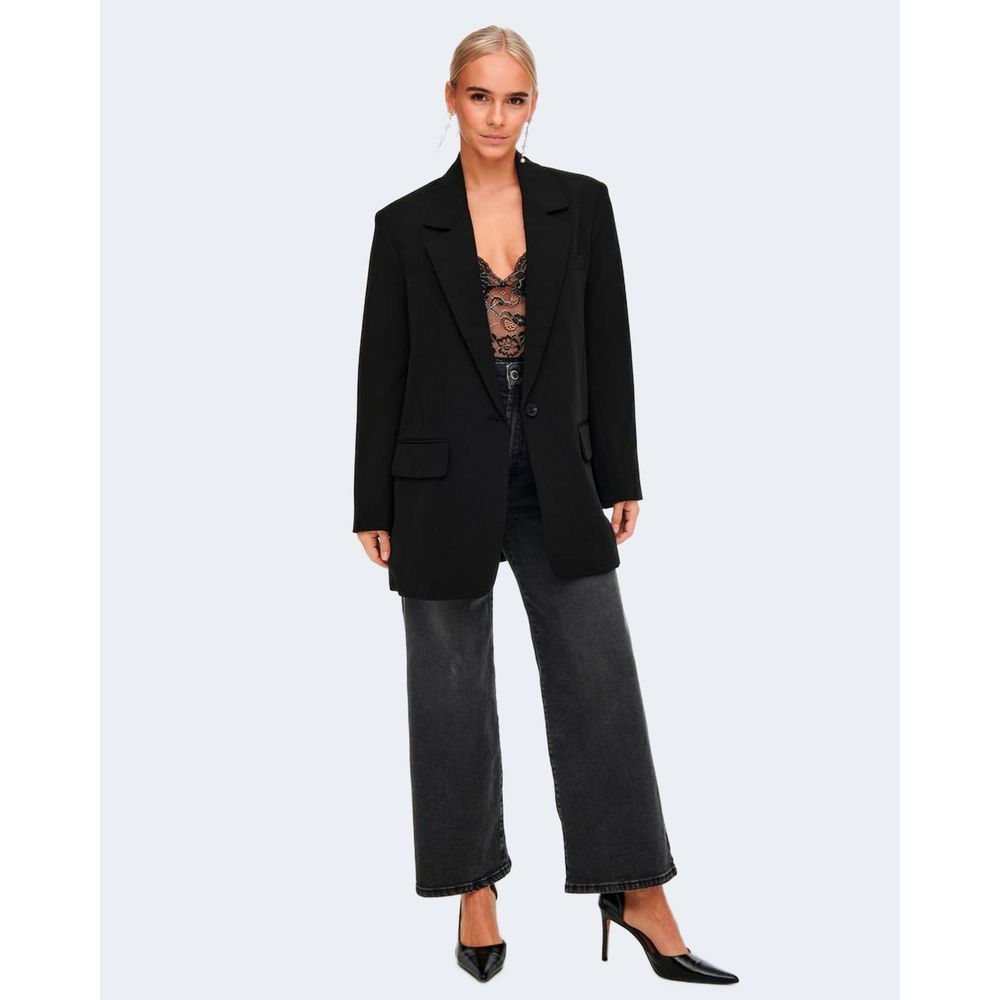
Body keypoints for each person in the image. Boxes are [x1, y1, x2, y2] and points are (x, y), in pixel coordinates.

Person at [352, 25, 739, 986]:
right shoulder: (405, 224)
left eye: (514, 99)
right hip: (437, 484)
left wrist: (622, 474)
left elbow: (610, 343)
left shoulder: (582, 204)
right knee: (448, 694)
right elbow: (381, 369)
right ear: (450, 98)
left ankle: (637, 888)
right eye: (479, 96)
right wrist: (370, 499)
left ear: (534, 105)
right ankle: (473, 886)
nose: (496, 117)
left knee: (598, 680)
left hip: (556, 477)